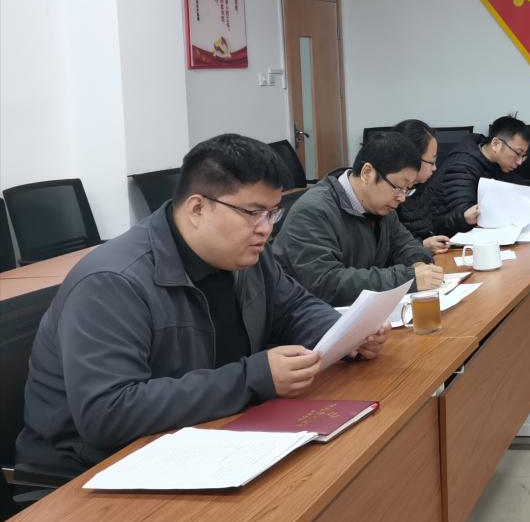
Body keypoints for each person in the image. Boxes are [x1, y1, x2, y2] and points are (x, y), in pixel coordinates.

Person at [17, 134, 388, 478]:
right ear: (197, 208)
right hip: (92, 472)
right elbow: (108, 413)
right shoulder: (112, 282)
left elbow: (293, 307)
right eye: (253, 213)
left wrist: (344, 333)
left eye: (273, 213)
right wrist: (252, 379)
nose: (266, 228)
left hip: (201, 437)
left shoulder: (245, 256)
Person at [275, 131, 445, 307]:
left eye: (407, 189)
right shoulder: (313, 211)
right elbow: (326, 283)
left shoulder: (381, 207)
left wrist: (418, 264)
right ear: (367, 173)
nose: (402, 198)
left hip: (363, 311)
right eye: (398, 187)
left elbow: (405, 244)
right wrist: (407, 278)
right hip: (312, 315)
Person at [426, 115, 530, 236]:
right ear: (496, 144)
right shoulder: (462, 167)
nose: (520, 162)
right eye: (518, 153)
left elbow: (520, 189)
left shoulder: (496, 163)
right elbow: (465, 214)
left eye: (523, 156)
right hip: (444, 237)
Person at [392, 119, 452, 254]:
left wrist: (462, 218)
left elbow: (433, 223)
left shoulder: (424, 185)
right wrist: (422, 245)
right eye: (432, 162)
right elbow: (389, 249)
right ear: (412, 158)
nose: (435, 168)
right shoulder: (390, 194)